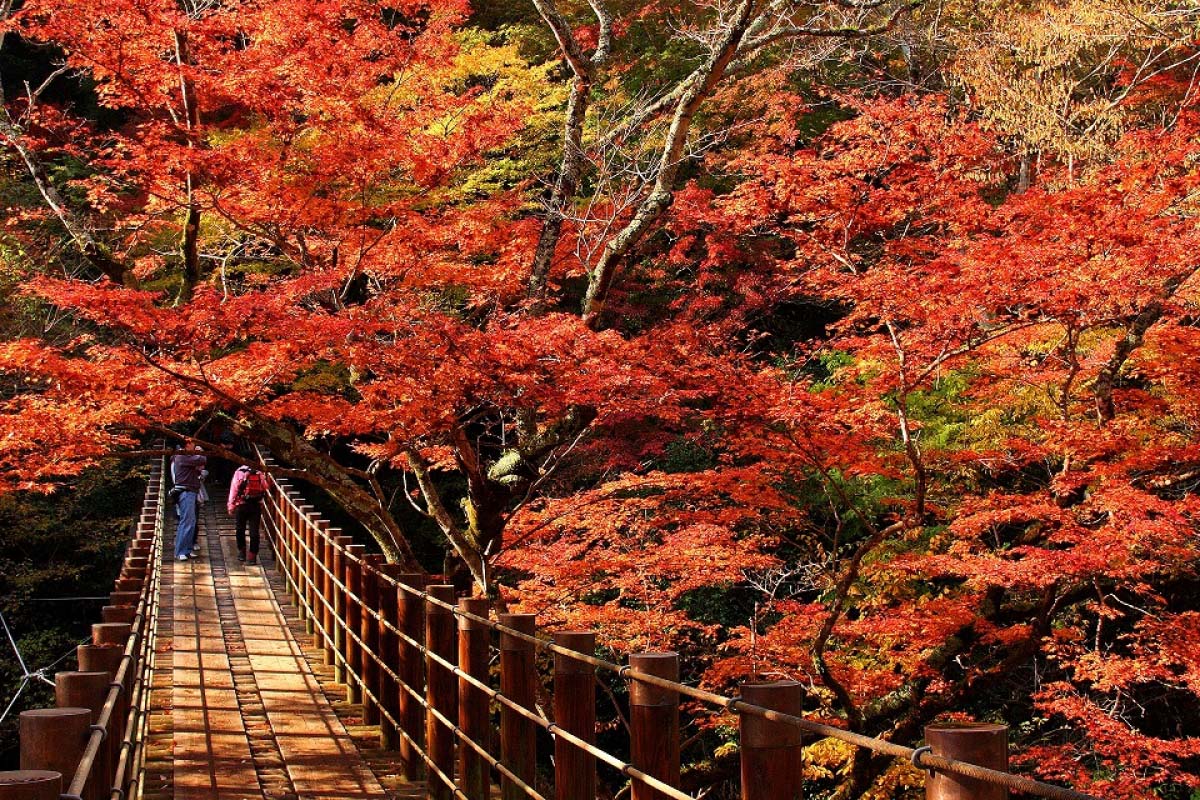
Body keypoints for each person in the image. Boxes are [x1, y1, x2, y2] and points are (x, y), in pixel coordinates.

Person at [172, 444, 207, 562]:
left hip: (191, 491)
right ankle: (180, 551)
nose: (194, 446)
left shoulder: (185, 457)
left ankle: (187, 549)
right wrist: (200, 451)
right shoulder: (182, 456)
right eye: (192, 444)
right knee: (186, 522)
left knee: (191, 522)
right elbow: (202, 459)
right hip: (186, 492)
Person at [228, 464, 267, 565]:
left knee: (240, 529)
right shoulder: (259, 473)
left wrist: (231, 505)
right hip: (256, 505)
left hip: (241, 504)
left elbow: (234, 489)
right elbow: (265, 487)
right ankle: (252, 556)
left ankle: (242, 551)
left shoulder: (239, 472)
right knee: (254, 532)